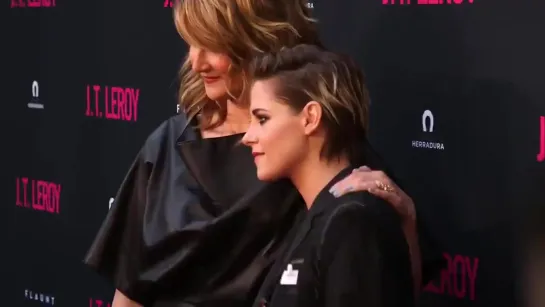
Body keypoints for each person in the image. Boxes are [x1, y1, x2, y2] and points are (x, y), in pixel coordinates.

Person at [84, 0, 442, 306]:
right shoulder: (163, 150)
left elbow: (384, 288)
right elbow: (128, 293)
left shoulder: (316, 149)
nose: (197, 63)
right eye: (191, 44)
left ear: (256, 35)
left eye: (211, 44)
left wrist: (405, 221)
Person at [242, 44, 414, 307]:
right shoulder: (316, 214)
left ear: (310, 118)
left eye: (262, 119)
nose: (247, 137)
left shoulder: (351, 220)